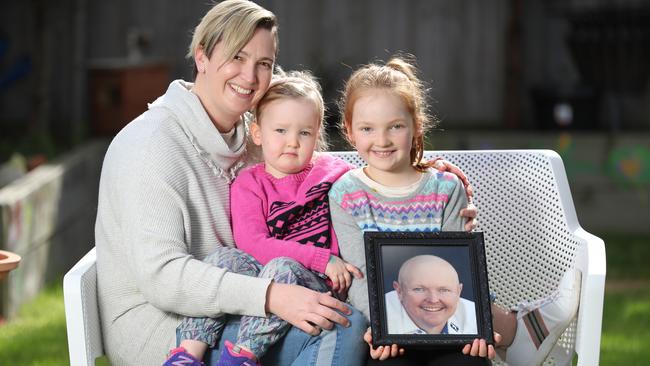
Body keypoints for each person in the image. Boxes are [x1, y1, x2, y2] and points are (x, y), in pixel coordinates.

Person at [95, 2, 368, 365]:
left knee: (338, 316)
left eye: (264, 64)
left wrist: (415, 171)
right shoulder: (150, 144)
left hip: (234, 306)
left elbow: (315, 166)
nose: (250, 77)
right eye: (236, 57)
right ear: (202, 57)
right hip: (166, 332)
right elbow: (162, 278)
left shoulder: (245, 135)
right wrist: (271, 295)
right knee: (341, 326)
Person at [328, 56, 581, 365]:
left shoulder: (446, 189)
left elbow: (458, 268)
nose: (381, 140)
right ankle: (521, 332)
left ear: (416, 125)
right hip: (389, 333)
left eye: (395, 126)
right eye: (367, 128)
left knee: (469, 361)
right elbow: (360, 276)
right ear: (350, 132)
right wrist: (385, 329)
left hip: (448, 326)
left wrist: (475, 327)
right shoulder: (345, 194)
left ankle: (520, 334)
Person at [168, 69, 366, 366]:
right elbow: (252, 243)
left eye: (304, 132)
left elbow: (379, 177)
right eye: (281, 130)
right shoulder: (250, 183)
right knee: (223, 258)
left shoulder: (332, 172)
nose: (292, 142)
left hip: (317, 284)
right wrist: (319, 256)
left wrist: (428, 167)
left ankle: (244, 355)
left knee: (282, 265)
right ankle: (187, 354)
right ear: (257, 133)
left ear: (317, 134)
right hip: (265, 284)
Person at [386, 255, 476, 335]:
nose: (433, 300)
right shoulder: (378, 318)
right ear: (399, 291)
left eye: (444, 290)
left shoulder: (475, 317)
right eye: (419, 289)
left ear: (458, 292)